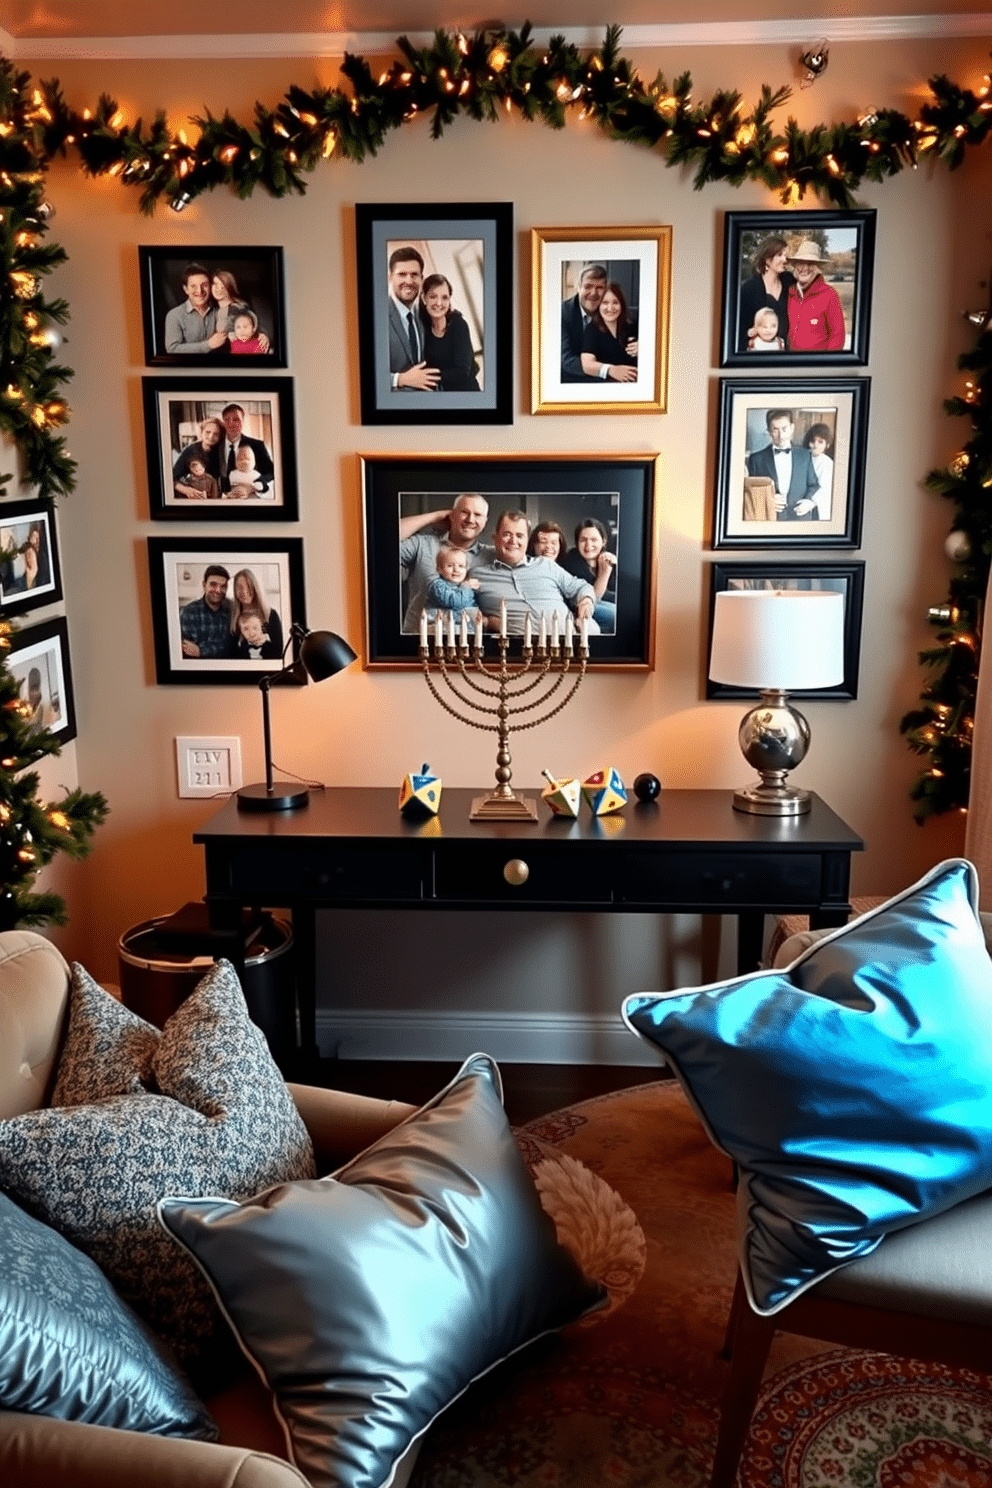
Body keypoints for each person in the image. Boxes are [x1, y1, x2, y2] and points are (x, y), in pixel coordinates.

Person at [473, 510, 598, 636]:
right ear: (494, 539)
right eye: (507, 534)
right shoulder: (478, 576)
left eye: (520, 536)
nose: (513, 541)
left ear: (527, 541)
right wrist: (488, 622)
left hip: (569, 644)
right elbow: (459, 606)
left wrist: (585, 602)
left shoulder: (546, 565)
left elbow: (581, 587)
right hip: (518, 650)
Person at [399, 492, 494, 633]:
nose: (470, 519)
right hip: (417, 644)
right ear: (452, 515)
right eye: (464, 512)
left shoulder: (492, 555)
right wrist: (434, 517)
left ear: (485, 522)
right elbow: (384, 536)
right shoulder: (423, 544)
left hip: (472, 646)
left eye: (478, 515)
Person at [745, 409, 820, 520]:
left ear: (792, 428)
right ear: (769, 431)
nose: (781, 436)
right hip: (769, 520)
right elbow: (749, 494)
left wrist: (810, 502)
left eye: (784, 429)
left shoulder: (805, 455)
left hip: (800, 521)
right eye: (775, 430)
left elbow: (813, 485)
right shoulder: (756, 459)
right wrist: (767, 500)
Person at [387, 247, 440, 392]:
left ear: (422, 279)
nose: (409, 281)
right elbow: (365, 373)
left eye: (414, 274)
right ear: (390, 277)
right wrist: (400, 379)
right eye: (402, 274)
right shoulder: (378, 316)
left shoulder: (423, 314)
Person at [418, 274, 479, 391]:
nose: (439, 303)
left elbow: (462, 372)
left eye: (445, 297)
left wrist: (426, 377)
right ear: (424, 298)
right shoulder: (422, 330)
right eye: (433, 296)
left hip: (469, 394)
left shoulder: (458, 324)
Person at [737, 236, 795, 354]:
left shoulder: (789, 281)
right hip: (760, 355)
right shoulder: (749, 289)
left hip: (786, 353)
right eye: (779, 255)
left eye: (786, 255)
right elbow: (739, 331)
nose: (785, 260)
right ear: (767, 259)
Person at [785, 240, 845, 352]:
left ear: (818, 268)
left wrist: (824, 365)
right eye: (800, 263)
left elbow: (837, 337)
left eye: (810, 264)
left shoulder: (830, 294)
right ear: (795, 266)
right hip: (791, 364)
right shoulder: (790, 292)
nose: (804, 268)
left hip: (817, 366)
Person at [561, 518, 617, 632]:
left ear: (603, 541)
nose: (588, 545)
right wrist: (604, 573)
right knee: (615, 614)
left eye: (594, 540)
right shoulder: (571, 560)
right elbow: (593, 598)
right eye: (583, 540)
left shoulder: (607, 558)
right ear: (577, 543)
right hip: (580, 607)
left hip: (598, 603)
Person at [163, 263, 227, 356]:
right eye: (193, 286)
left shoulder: (219, 312)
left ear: (210, 287)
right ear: (186, 289)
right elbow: (172, 349)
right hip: (187, 369)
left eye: (204, 285)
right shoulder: (174, 315)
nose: (200, 291)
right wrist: (208, 345)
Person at [580, 282, 638, 382]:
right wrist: (611, 370)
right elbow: (587, 364)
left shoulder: (633, 324)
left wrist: (645, 349)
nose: (610, 308)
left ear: (621, 304)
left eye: (615, 302)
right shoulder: (592, 329)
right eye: (605, 303)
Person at [560, 263, 608, 383]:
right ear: (578, 287)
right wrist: (605, 369)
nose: (593, 293)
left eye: (599, 288)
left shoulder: (611, 311)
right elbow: (565, 360)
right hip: (571, 382)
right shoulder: (562, 313)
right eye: (588, 286)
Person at [219, 403, 274, 495]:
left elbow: (271, 472)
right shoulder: (215, 446)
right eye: (227, 420)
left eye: (236, 419)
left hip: (250, 498)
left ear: (243, 420)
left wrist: (253, 486)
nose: (231, 424)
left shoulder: (257, 445)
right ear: (223, 422)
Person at [210, 270, 271, 354]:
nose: (219, 289)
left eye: (223, 285)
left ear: (230, 287)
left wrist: (263, 334)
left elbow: (255, 326)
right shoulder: (214, 309)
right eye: (215, 284)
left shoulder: (239, 308)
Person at [228, 568, 284, 657]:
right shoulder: (233, 617)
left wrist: (264, 642)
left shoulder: (271, 615)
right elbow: (231, 654)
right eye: (240, 587)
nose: (244, 592)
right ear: (235, 590)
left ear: (255, 587)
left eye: (248, 586)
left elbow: (280, 651)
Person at [180, 565, 233, 658]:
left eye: (223, 586)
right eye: (213, 584)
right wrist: (217, 648)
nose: (218, 590)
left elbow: (229, 647)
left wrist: (201, 650)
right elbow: (187, 649)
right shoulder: (189, 611)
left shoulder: (231, 610)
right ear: (204, 585)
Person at [425, 544, 481, 619]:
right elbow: (455, 602)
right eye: (450, 566)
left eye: (461, 566)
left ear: (466, 569)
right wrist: (466, 586)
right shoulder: (437, 586)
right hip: (444, 626)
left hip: (466, 626)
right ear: (439, 569)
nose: (456, 570)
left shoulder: (465, 585)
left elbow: (472, 604)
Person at [172, 415, 224, 494]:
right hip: (192, 495)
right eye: (208, 432)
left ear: (220, 437)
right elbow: (172, 479)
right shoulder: (190, 450)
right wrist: (186, 491)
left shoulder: (221, 452)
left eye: (216, 434)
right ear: (201, 433)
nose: (211, 437)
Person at [804, 422, 835, 519]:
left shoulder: (827, 463)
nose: (815, 445)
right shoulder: (803, 457)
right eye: (813, 441)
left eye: (820, 442)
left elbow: (824, 489)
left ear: (827, 445)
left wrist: (810, 502)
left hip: (817, 507)